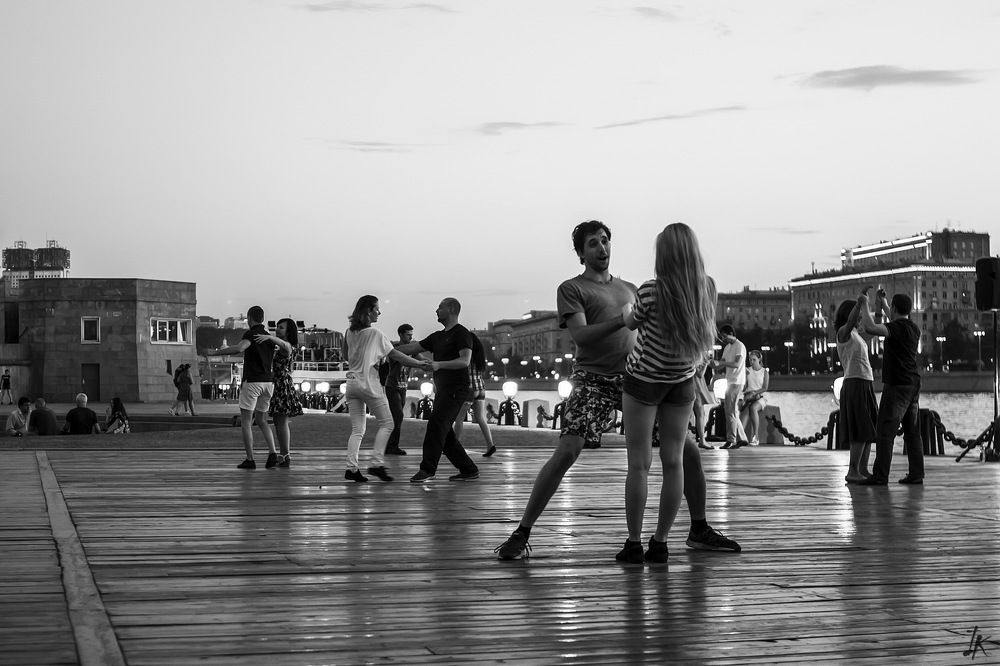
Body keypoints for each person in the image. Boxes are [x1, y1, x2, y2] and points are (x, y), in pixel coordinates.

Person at [494, 220, 740, 560]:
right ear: (581, 253)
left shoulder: (631, 288)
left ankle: (699, 528)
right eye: (593, 243)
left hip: (636, 379)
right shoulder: (572, 289)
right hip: (593, 379)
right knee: (568, 450)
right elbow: (581, 336)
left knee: (689, 451)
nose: (602, 247)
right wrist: (622, 320)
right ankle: (522, 531)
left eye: (605, 240)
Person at [614, 223, 719, 563]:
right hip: (682, 382)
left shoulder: (650, 290)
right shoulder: (706, 288)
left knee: (639, 464)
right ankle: (660, 542)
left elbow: (631, 322)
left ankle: (633, 543)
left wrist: (626, 309)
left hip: (643, 380)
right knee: (674, 463)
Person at [342, 296, 430, 482]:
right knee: (388, 423)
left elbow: (345, 356)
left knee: (357, 429)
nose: (379, 312)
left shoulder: (349, 332)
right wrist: (419, 364)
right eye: (376, 309)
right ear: (368, 311)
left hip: (351, 384)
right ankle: (376, 464)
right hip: (368, 383)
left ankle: (352, 468)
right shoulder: (375, 334)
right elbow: (396, 354)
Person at [396, 298, 482, 482]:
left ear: (451, 309)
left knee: (436, 426)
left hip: (457, 390)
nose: (436, 310)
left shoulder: (462, 334)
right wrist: (386, 348)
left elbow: (464, 361)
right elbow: (412, 347)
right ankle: (468, 469)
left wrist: (438, 364)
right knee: (445, 432)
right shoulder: (437, 337)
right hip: (443, 390)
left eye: (440, 307)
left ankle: (427, 469)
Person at [858, 289, 924, 485]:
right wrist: (884, 302)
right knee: (912, 432)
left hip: (897, 384)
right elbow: (893, 317)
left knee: (885, 431)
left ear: (895, 309)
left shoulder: (895, 328)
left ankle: (880, 475)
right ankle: (916, 474)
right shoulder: (913, 328)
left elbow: (870, 327)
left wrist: (864, 304)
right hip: (913, 384)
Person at [205, 305, 279, 470]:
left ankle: (250, 459)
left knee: (246, 422)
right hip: (268, 382)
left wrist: (215, 353)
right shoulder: (268, 337)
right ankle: (273, 453)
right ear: (262, 318)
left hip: (252, 381)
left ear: (249, 318)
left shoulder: (251, 334)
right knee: (262, 420)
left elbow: (240, 348)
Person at [834, 298, 876, 483]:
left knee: (868, 430)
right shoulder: (843, 333)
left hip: (865, 382)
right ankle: (852, 471)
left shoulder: (857, 334)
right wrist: (859, 304)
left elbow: (873, 329)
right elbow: (851, 321)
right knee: (860, 429)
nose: (860, 318)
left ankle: (862, 469)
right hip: (854, 382)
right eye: (857, 314)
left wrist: (878, 305)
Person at [256, 318, 303, 468]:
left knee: (281, 422)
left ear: (288, 331)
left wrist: (269, 337)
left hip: (282, 385)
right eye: (277, 327)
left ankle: (285, 455)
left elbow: (284, 345)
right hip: (278, 384)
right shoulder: (283, 346)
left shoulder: (288, 346)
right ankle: (283, 454)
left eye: (281, 327)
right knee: (278, 422)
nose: (277, 329)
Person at [453, 331, 498, 457]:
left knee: (459, 418)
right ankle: (490, 445)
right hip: (480, 388)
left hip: (469, 389)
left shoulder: (466, 354)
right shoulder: (479, 354)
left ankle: (454, 447)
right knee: (481, 418)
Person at [384, 324, 416, 456]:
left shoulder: (412, 348)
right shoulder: (395, 349)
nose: (410, 338)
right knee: (398, 416)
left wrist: (434, 364)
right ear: (401, 335)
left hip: (403, 387)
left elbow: (421, 359)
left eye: (411, 335)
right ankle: (392, 446)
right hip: (392, 386)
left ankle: (390, 446)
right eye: (408, 335)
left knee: (397, 418)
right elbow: (406, 360)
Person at [715, 325, 747, 449]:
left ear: (731, 334)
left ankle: (731, 440)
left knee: (730, 411)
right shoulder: (727, 347)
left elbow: (736, 364)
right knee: (731, 411)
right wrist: (713, 364)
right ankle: (742, 438)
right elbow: (721, 364)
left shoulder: (740, 346)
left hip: (737, 382)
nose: (723, 339)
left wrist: (721, 363)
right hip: (729, 382)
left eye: (724, 336)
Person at [739, 350, 769, 446]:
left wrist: (755, 393)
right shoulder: (747, 370)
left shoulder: (764, 372)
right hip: (748, 398)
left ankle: (756, 437)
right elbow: (744, 388)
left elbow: (765, 388)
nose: (751, 362)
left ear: (759, 359)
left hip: (760, 398)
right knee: (743, 416)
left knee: (753, 408)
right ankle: (741, 439)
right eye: (750, 360)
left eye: (754, 359)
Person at [692, 351, 716, 449]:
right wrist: (706, 363)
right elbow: (700, 374)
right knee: (700, 414)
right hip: (696, 387)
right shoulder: (695, 358)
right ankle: (702, 440)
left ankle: (700, 439)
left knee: (694, 414)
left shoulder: (691, 356)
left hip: (692, 386)